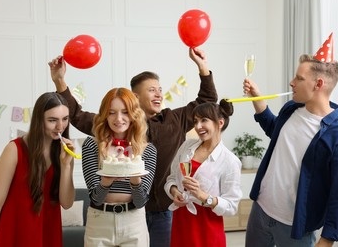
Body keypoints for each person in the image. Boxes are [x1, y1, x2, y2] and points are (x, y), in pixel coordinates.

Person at [48, 47, 218, 246]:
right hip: (122, 212)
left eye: (160, 89)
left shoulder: (175, 119)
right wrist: (59, 81)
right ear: (135, 98)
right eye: (152, 89)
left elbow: (206, 102)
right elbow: (76, 115)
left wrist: (202, 67)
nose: (159, 94)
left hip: (162, 211)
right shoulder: (114, 125)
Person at [243, 36, 338, 247]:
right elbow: (274, 129)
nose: (292, 82)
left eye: (298, 78)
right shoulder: (291, 109)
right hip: (260, 210)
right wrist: (256, 97)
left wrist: (327, 240)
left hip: (295, 228)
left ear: (318, 84)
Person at [0, 92, 76, 247]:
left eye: (65, 119)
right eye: (52, 120)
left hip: (47, 233)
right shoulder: (14, 150)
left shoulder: (65, 153)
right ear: (39, 120)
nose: (60, 126)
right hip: (14, 232)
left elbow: (66, 203)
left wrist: (65, 166)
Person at [81, 87, 156, 246]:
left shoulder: (147, 150)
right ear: (105, 115)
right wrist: (106, 182)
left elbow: (141, 201)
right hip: (99, 221)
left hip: (134, 222)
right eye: (112, 112)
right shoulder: (92, 145)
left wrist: (135, 181)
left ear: (134, 114)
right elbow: (96, 198)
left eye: (125, 112)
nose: (118, 118)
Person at [164, 99, 242, 247]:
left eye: (204, 120)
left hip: (207, 227)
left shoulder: (230, 161)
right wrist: (174, 192)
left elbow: (232, 206)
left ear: (220, 123)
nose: (198, 126)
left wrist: (203, 196)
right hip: (181, 221)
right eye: (195, 121)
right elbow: (172, 178)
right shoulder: (187, 146)